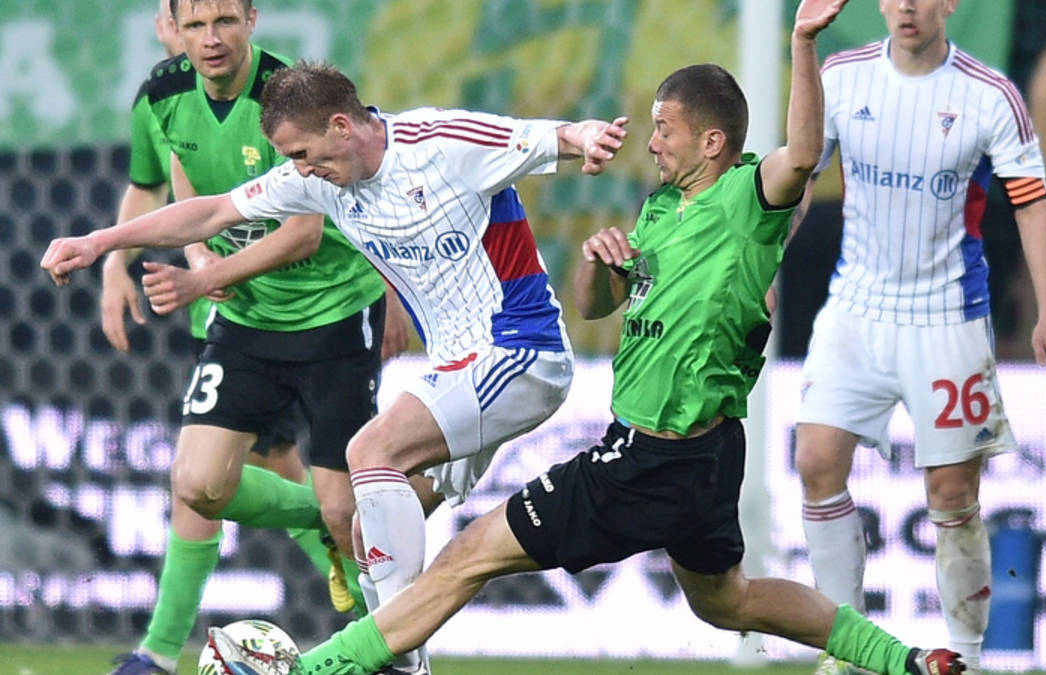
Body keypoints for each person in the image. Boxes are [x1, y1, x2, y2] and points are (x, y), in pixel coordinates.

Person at [191, 1, 967, 673]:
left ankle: (317, 666)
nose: (651, 142)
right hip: (699, 457)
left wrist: (800, 44)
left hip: (646, 460)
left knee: (466, 557)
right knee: (729, 600)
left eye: (665, 129)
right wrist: (601, 266)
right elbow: (597, 307)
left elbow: (800, 154)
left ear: (711, 143)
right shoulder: (661, 213)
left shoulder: (744, 199)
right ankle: (903, 658)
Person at [43, 48, 631, 675]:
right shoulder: (317, 179)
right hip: (458, 371)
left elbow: (545, 137)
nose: (299, 170)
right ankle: (398, 656)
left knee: (369, 453)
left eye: (302, 153)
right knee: (362, 525)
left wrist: (585, 138)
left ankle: (396, 664)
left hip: (520, 352)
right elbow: (212, 211)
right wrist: (99, 242)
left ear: (341, 126)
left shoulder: (438, 143)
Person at [91, 1, 408, 673]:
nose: (210, 39)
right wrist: (138, 260)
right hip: (240, 319)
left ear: (252, 19)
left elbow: (307, 230)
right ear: (172, 24)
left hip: (329, 315)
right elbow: (173, 184)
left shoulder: (286, 99)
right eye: (195, 24)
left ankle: (386, 641)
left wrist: (204, 276)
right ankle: (162, 650)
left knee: (308, 485)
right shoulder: (163, 95)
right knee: (200, 483)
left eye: (225, 21)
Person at [789, 1, 1046, 674]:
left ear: (950, 4)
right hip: (855, 308)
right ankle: (846, 651)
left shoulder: (990, 95)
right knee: (816, 463)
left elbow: (1033, 202)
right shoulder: (843, 76)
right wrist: (763, 265)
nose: (908, 7)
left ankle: (966, 658)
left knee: (952, 495)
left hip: (948, 317)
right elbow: (796, 176)